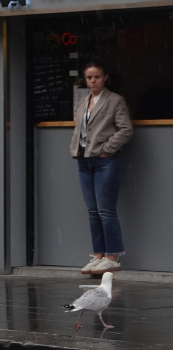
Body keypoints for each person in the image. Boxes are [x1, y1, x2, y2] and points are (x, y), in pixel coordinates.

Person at [71, 60, 133, 275]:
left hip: (106, 161)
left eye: (96, 76)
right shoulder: (83, 101)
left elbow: (126, 129)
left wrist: (107, 148)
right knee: (92, 212)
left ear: (105, 77)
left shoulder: (115, 101)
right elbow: (79, 129)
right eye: (89, 77)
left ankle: (112, 256)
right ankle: (98, 255)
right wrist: (75, 148)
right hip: (84, 161)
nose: (92, 81)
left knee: (106, 211)